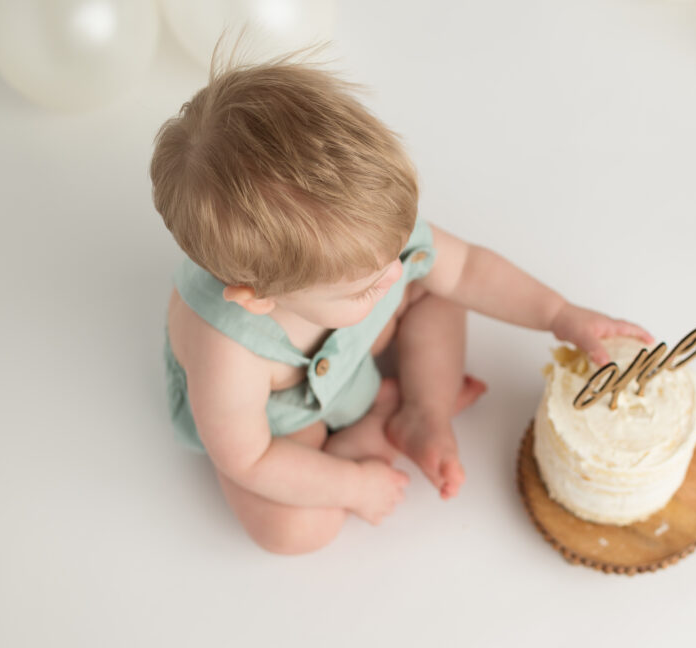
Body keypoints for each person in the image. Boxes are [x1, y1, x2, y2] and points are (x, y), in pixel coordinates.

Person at [153, 50, 653, 555]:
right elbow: (251, 459)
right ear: (259, 299)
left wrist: (559, 315)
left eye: (395, 250)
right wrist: (352, 485)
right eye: (363, 286)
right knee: (296, 531)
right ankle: (359, 440)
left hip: (356, 346)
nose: (395, 272)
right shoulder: (228, 351)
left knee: (440, 290)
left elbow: (468, 270)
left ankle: (423, 412)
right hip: (288, 415)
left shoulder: (367, 239)